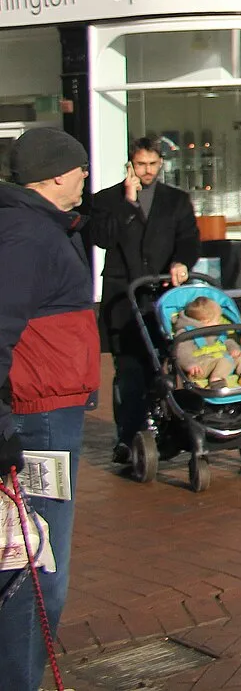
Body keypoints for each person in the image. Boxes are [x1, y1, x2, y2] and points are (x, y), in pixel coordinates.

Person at [0, 128, 98, 691]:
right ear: (58, 174)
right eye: (81, 168)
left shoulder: (36, 226)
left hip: (46, 411)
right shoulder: (26, 235)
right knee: (36, 567)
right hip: (38, 419)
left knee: (32, 560)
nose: (87, 176)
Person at [86, 137, 197, 464]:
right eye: (140, 165)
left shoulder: (176, 200)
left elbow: (189, 239)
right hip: (124, 299)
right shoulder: (107, 200)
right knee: (130, 370)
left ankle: (164, 427)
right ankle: (129, 437)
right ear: (130, 166)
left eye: (152, 164)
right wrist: (128, 201)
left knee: (163, 366)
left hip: (162, 297)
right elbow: (102, 239)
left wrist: (182, 263)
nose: (146, 171)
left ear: (160, 163)